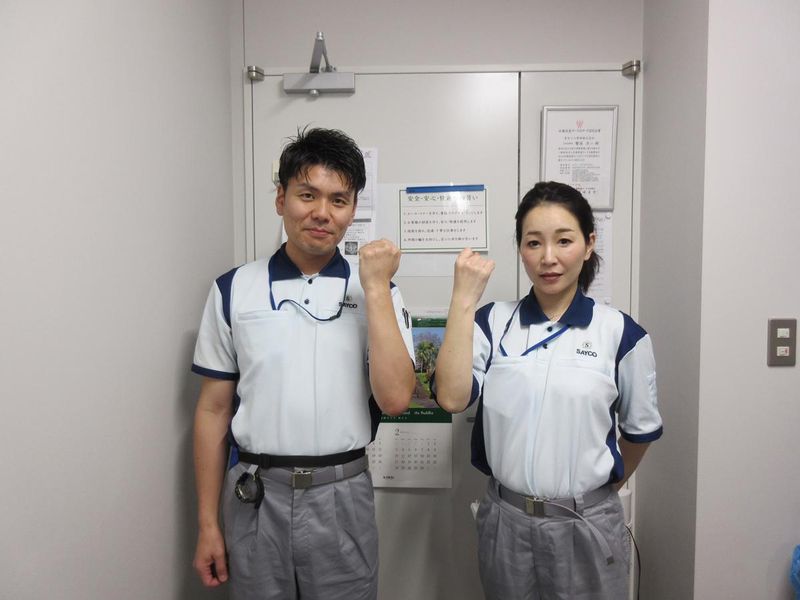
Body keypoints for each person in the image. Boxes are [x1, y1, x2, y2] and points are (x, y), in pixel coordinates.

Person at [190, 127, 416, 600]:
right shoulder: (234, 289)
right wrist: (208, 524)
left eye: (338, 200)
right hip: (255, 495)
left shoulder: (378, 292)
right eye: (307, 195)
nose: (322, 212)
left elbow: (396, 399)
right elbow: (213, 410)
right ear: (281, 199)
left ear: (353, 210)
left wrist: (375, 288)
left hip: (343, 495)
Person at [433, 181, 662, 599]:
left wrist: (593, 494)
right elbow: (450, 397)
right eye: (534, 242)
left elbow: (639, 433)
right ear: (521, 249)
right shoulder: (492, 322)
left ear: (589, 244)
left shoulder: (620, 333)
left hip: (587, 523)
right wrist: (463, 299)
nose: (548, 257)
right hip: (506, 522)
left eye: (564, 240)